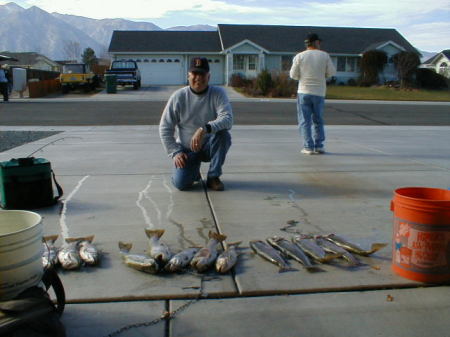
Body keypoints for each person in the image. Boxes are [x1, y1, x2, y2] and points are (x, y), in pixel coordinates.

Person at [159, 57, 233, 191]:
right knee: (181, 184)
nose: (198, 78)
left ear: (208, 76)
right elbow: (165, 128)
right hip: (187, 150)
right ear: (188, 76)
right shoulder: (178, 97)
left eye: (202, 74)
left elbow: (227, 119)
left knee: (223, 135)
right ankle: (193, 172)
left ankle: (213, 177)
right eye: (195, 74)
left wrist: (204, 129)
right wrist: (175, 152)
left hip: (208, 146)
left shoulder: (218, 93)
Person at [290, 33, 336, 154]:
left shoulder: (299, 56)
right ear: (316, 42)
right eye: (319, 42)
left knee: (305, 120)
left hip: (303, 91)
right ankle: (319, 145)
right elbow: (331, 72)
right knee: (318, 120)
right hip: (319, 92)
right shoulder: (324, 56)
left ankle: (308, 147)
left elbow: (293, 75)